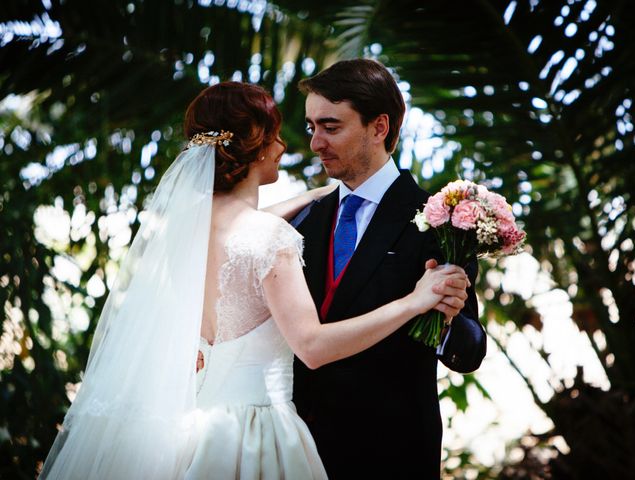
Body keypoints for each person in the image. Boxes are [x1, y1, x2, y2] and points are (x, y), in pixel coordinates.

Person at [40, 81, 471, 479]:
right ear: (258, 147)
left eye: (328, 126)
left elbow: (237, 237)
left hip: (200, 428)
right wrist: (415, 302)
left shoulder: (186, 234)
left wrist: (310, 197)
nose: (292, 144)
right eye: (282, 133)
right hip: (261, 432)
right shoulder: (272, 234)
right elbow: (312, 345)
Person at [291, 59, 487, 479]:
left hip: (391, 453)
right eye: (312, 127)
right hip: (297, 449)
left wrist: (448, 319)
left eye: (330, 126)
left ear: (379, 127)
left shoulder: (441, 221)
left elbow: (470, 350)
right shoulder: (302, 219)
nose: (315, 143)